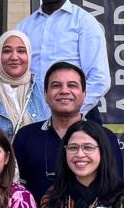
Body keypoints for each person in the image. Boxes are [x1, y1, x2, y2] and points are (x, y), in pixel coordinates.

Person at [15, 0, 109, 118]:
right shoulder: (23, 27)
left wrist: (72, 113)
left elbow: (100, 79)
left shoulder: (84, 23)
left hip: (78, 119)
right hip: (32, 118)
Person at [11, 62, 89, 200]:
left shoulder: (104, 138)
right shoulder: (25, 136)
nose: (64, 91)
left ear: (84, 94)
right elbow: (15, 191)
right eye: (56, 86)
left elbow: (112, 191)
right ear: (46, 95)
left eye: (72, 85)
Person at [0, 30, 48, 135]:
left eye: (21, 51)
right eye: (7, 51)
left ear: (29, 55)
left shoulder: (45, 93)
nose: (14, 57)